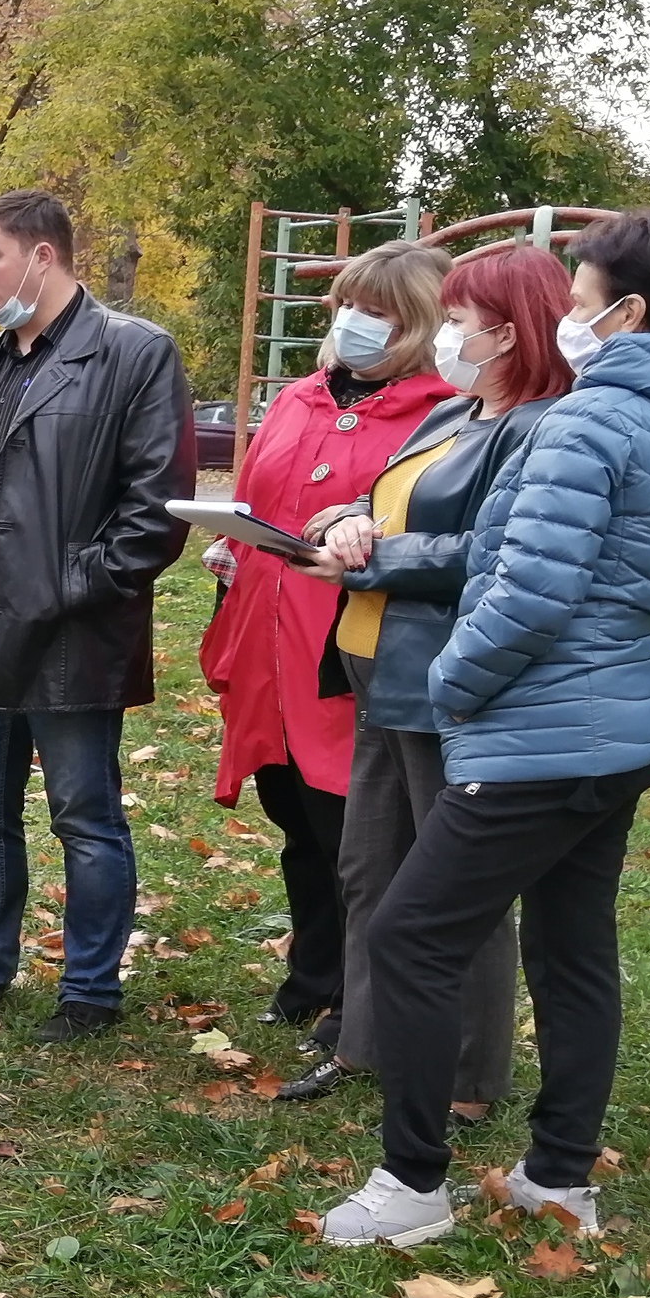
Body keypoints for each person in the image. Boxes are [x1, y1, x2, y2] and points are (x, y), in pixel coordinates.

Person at [321, 208, 650, 1247]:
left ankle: (411, 1182)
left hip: (542, 734)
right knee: (572, 951)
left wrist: (454, 685)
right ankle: (557, 1175)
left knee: (411, 934)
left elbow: (527, 593)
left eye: (575, 300)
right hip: (621, 726)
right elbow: (550, 554)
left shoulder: (585, 421)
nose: (563, 318)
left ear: (626, 313)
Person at [276, 243, 573, 1109]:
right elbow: (383, 498)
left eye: (454, 320)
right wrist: (342, 520)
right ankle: (366, 1044)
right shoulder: (456, 415)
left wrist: (375, 559)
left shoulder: (540, 426)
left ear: (509, 331)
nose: (443, 335)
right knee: (371, 872)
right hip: (376, 671)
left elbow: (496, 550)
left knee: (455, 894)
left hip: (449, 683)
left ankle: (468, 1077)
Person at [0, 189, 194, 1040]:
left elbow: (156, 514)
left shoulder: (134, 353)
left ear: (42, 255)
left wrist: (64, 587)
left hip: (66, 630)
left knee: (83, 815)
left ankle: (90, 991)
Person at [197, 240, 453, 1052]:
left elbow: (423, 528)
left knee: (356, 830)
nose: (355, 322)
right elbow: (260, 494)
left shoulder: (437, 413)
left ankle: (360, 998)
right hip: (265, 638)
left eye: (377, 310)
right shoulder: (300, 397)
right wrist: (228, 541)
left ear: (417, 324)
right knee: (295, 822)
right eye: (348, 303)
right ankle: (311, 974)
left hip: (346, 648)